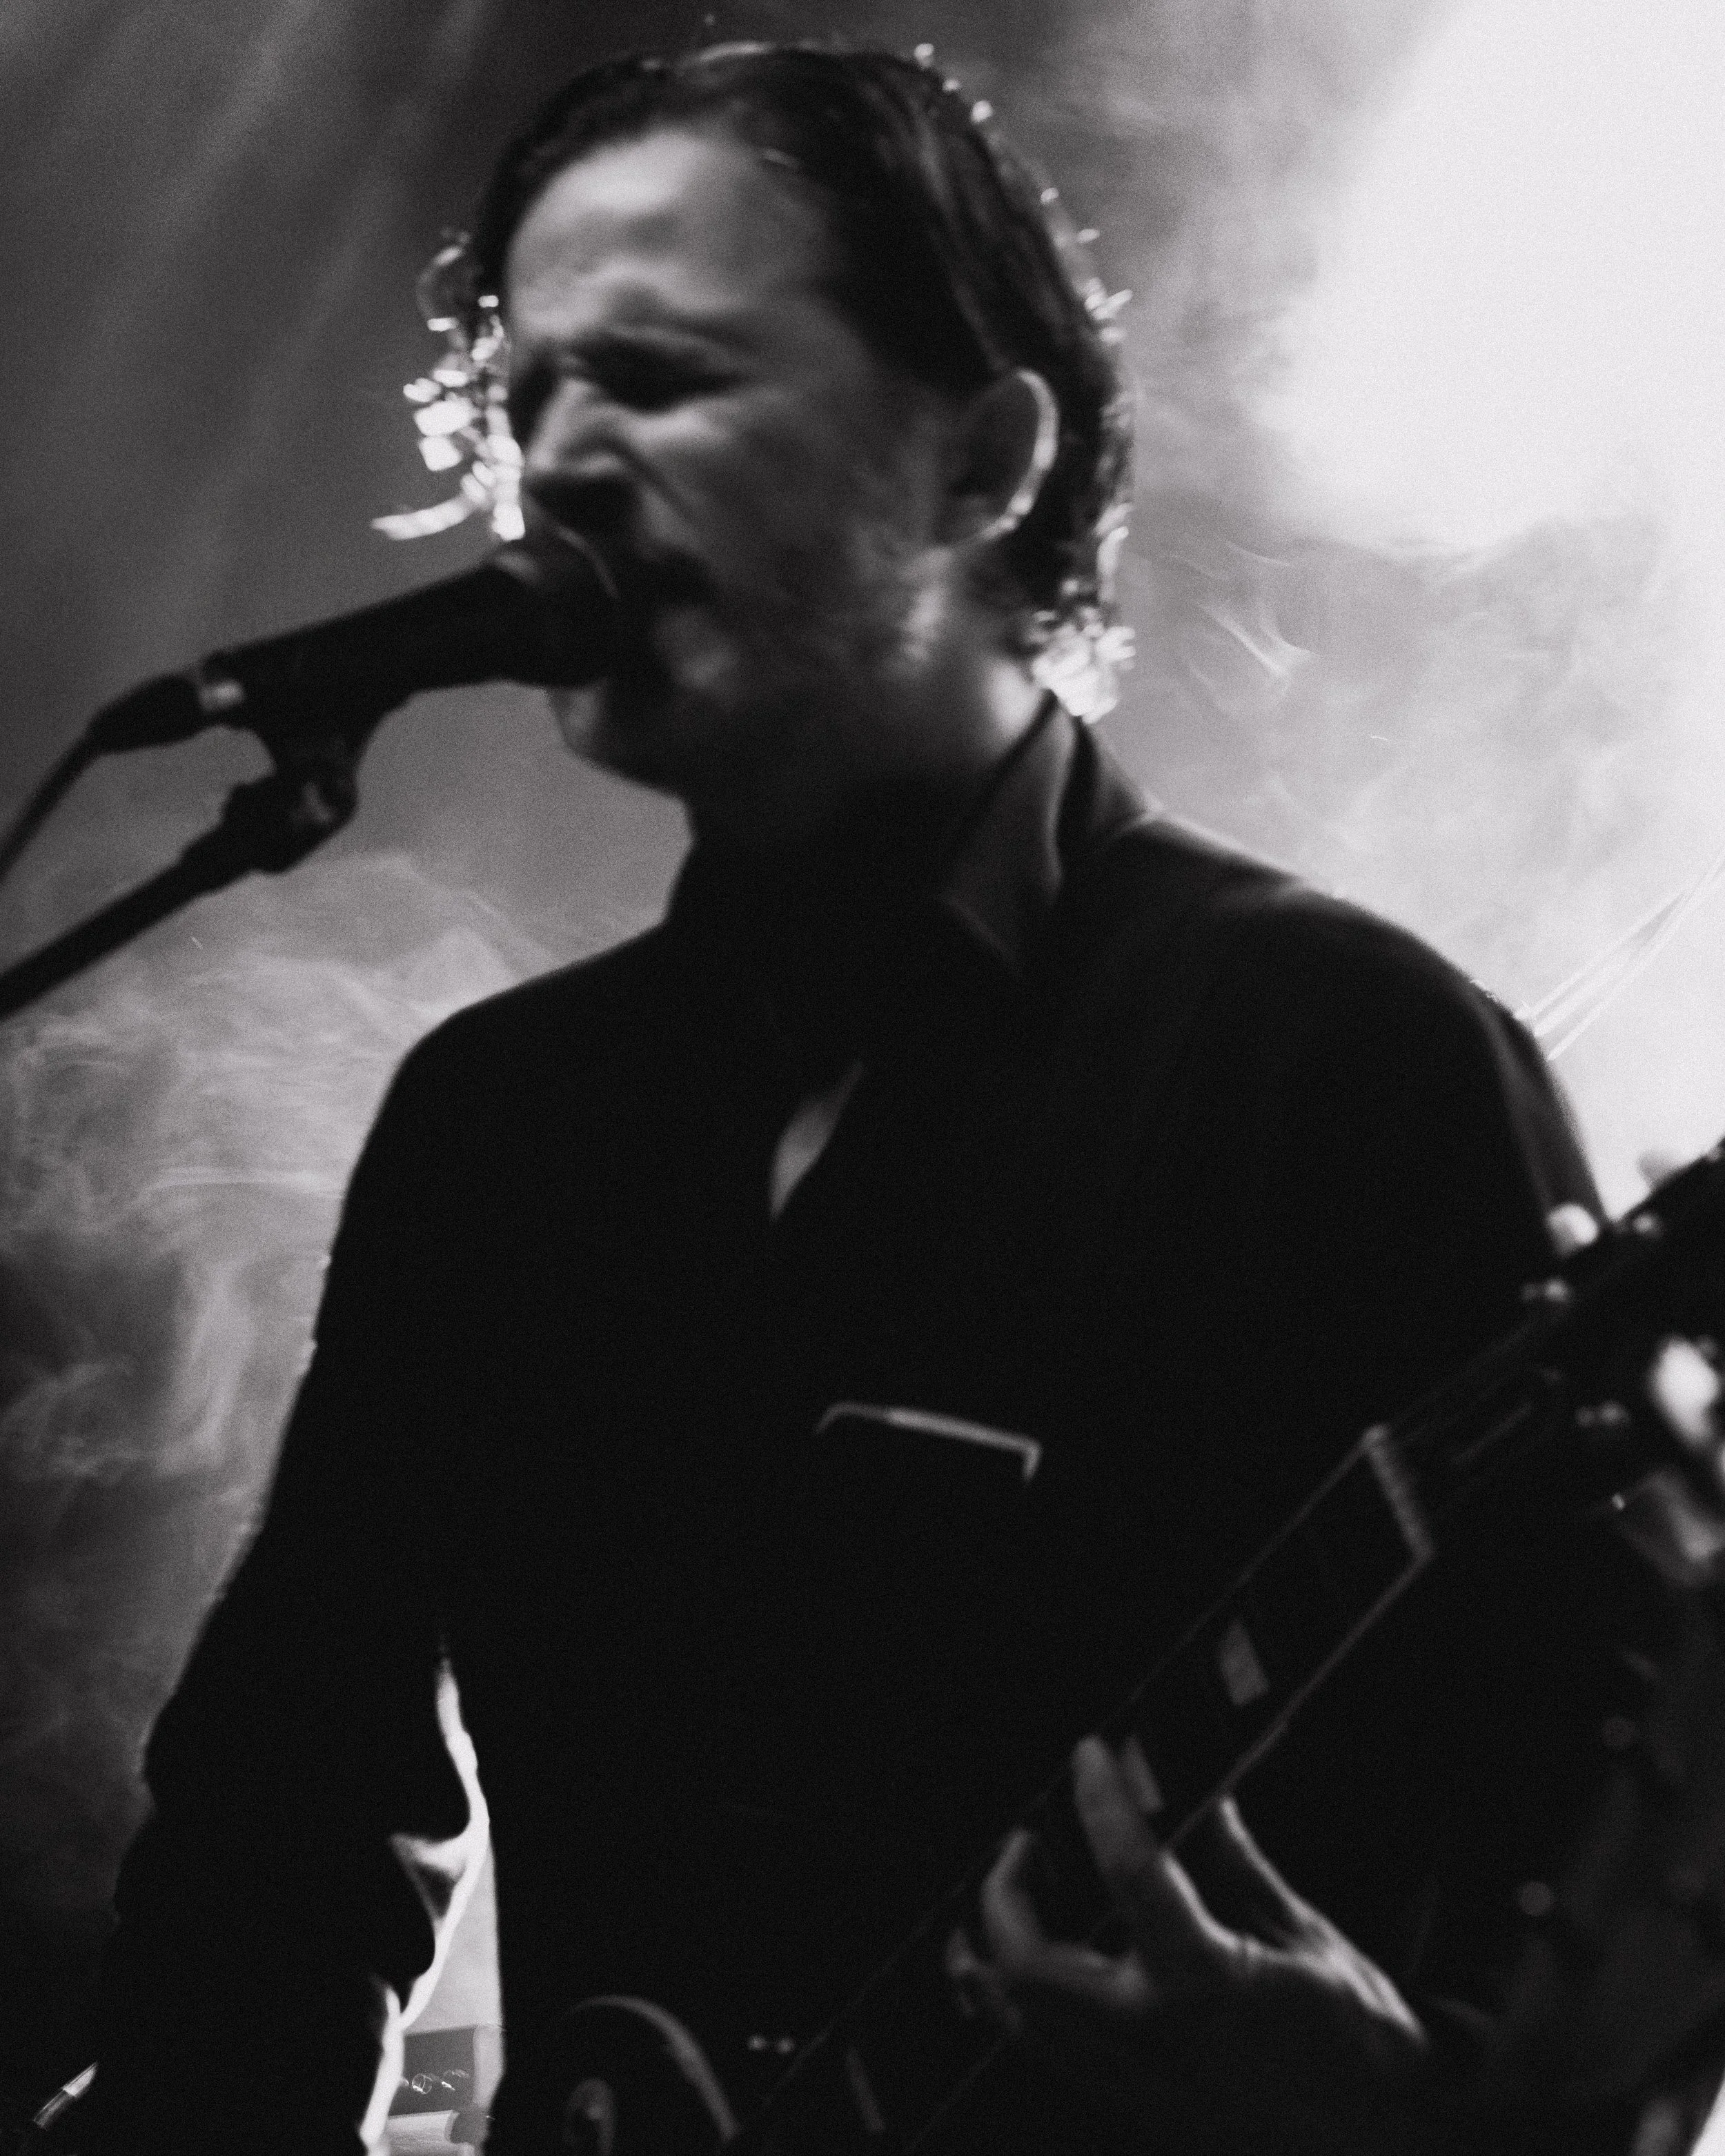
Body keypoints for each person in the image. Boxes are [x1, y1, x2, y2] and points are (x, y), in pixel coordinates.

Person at [79, 41, 1635, 2156]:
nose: (568, 459)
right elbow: (281, 1831)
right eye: (530, 393)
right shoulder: (500, 1122)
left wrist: (1382, 2105)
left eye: (665, 373)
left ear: (983, 455)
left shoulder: (1344, 1065)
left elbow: (1611, 1925)